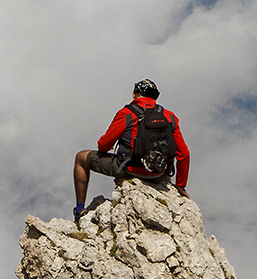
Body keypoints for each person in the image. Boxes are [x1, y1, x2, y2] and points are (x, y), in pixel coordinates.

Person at [73, 79, 189, 217]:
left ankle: (80, 210)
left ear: (134, 95)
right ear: (155, 97)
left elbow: (103, 145)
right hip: (159, 174)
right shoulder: (170, 116)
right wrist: (180, 186)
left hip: (131, 169)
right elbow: (184, 154)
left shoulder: (127, 113)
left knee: (81, 158)